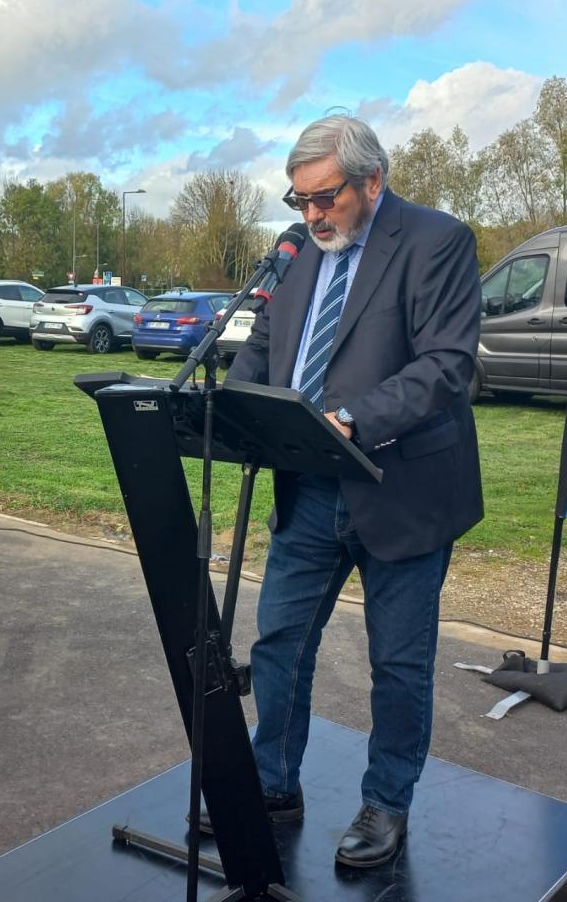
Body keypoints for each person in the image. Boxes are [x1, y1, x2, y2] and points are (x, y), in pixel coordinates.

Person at [223, 113, 483, 868]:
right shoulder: (301, 253)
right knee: (279, 643)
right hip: (308, 489)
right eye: (298, 201)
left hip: (402, 488)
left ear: (372, 181)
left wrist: (351, 419)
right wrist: (235, 411)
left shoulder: (437, 242)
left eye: (325, 197)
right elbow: (266, 351)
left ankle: (386, 803)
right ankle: (272, 782)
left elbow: (445, 365)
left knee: (398, 664)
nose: (311, 215)